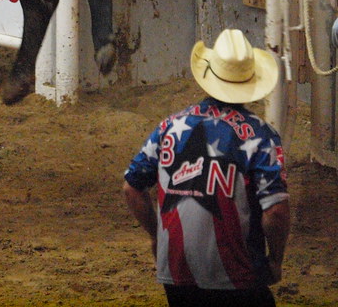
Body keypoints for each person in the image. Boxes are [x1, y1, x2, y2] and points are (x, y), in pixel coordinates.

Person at [122, 28, 289, 307]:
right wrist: (275, 260)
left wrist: (156, 238)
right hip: (239, 274)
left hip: (175, 270)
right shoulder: (260, 135)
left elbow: (132, 187)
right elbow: (276, 210)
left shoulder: (169, 127)